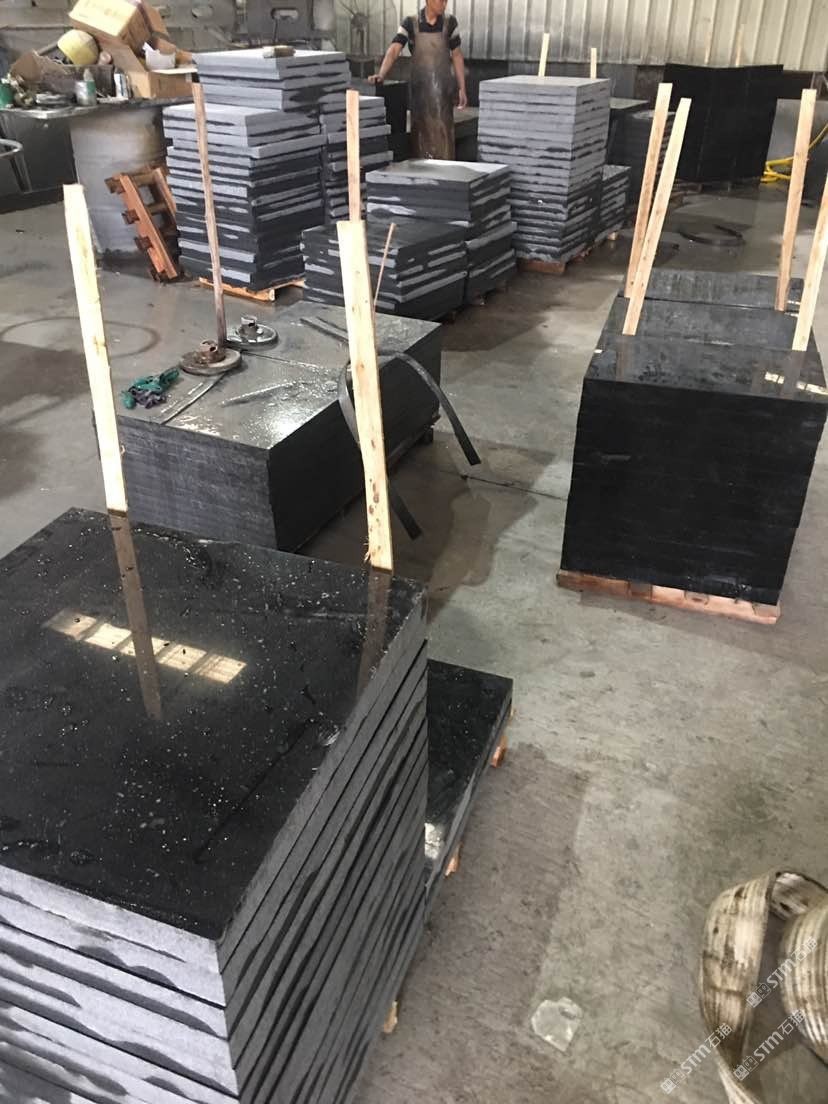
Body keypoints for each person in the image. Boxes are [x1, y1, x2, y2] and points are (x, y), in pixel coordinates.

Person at [369, 0, 467, 161]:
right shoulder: (410, 23)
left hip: (443, 98)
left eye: (446, 1)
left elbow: (456, 55)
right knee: (420, 144)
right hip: (419, 98)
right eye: (440, 1)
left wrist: (462, 88)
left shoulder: (450, 23)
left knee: (445, 145)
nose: (444, 4)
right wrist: (381, 74)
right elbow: (394, 49)